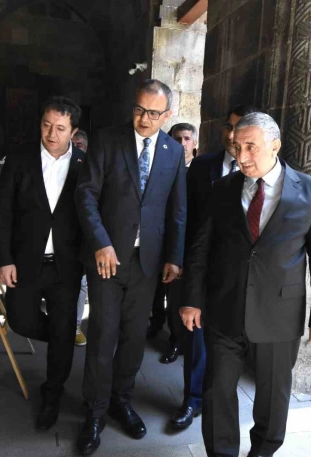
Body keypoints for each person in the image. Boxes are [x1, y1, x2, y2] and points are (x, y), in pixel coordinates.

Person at [181, 112, 311, 457]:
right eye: (237, 147)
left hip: (279, 314)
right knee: (217, 390)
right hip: (224, 308)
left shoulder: (310, 192)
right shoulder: (222, 189)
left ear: (274, 146)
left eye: (251, 147)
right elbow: (201, 248)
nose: (242, 156)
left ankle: (262, 452)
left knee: (273, 395)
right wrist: (192, 299)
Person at [75, 79, 187, 455]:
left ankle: (121, 402)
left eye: (153, 113)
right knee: (103, 336)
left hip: (147, 263)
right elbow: (86, 195)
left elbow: (177, 209)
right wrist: (100, 242)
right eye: (139, 109)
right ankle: (94, 413)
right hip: (107, 260)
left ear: (167, 115)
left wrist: (174, 257)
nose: (143, 118)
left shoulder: (173, 151)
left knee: (134, 339)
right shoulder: (107, 140)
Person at [0, 96, 85, 431]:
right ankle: (64, 339)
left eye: (60, 128)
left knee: (62, 325)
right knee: (20, 319)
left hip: (67, 266)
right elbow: (2, 214)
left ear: (73, 131)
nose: (51, 134)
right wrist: (3, 259)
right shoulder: (20, 160)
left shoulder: (85, 165)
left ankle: (53, 391)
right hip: (25, 262)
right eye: (46, 125)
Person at [169, 105, 260, 429]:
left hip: (241, 276)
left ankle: (219, 403)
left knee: (229, 345)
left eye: (240, 128)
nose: (233, 135)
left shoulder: (263, 171)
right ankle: (191, 400)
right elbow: (184, 214)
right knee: (195, 339)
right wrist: (179, 259)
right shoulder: (202, 166)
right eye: (228, 127)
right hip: (202, 269)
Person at [147, 122, 198, 364]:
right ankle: (155, 324)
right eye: (177, 139)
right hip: (157, 240)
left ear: (194, 143)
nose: (182, 144)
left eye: (187, 138)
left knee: (177, 295)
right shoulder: (160, 165)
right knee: (155, 290)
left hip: (186, 243)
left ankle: (177, 340)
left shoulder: (200, 170)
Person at [74, 129, 89, 347]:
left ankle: (75, 325)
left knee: (82, 283)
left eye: (79, 145)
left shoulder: (91, 168)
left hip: (84, 234)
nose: (75, 148)